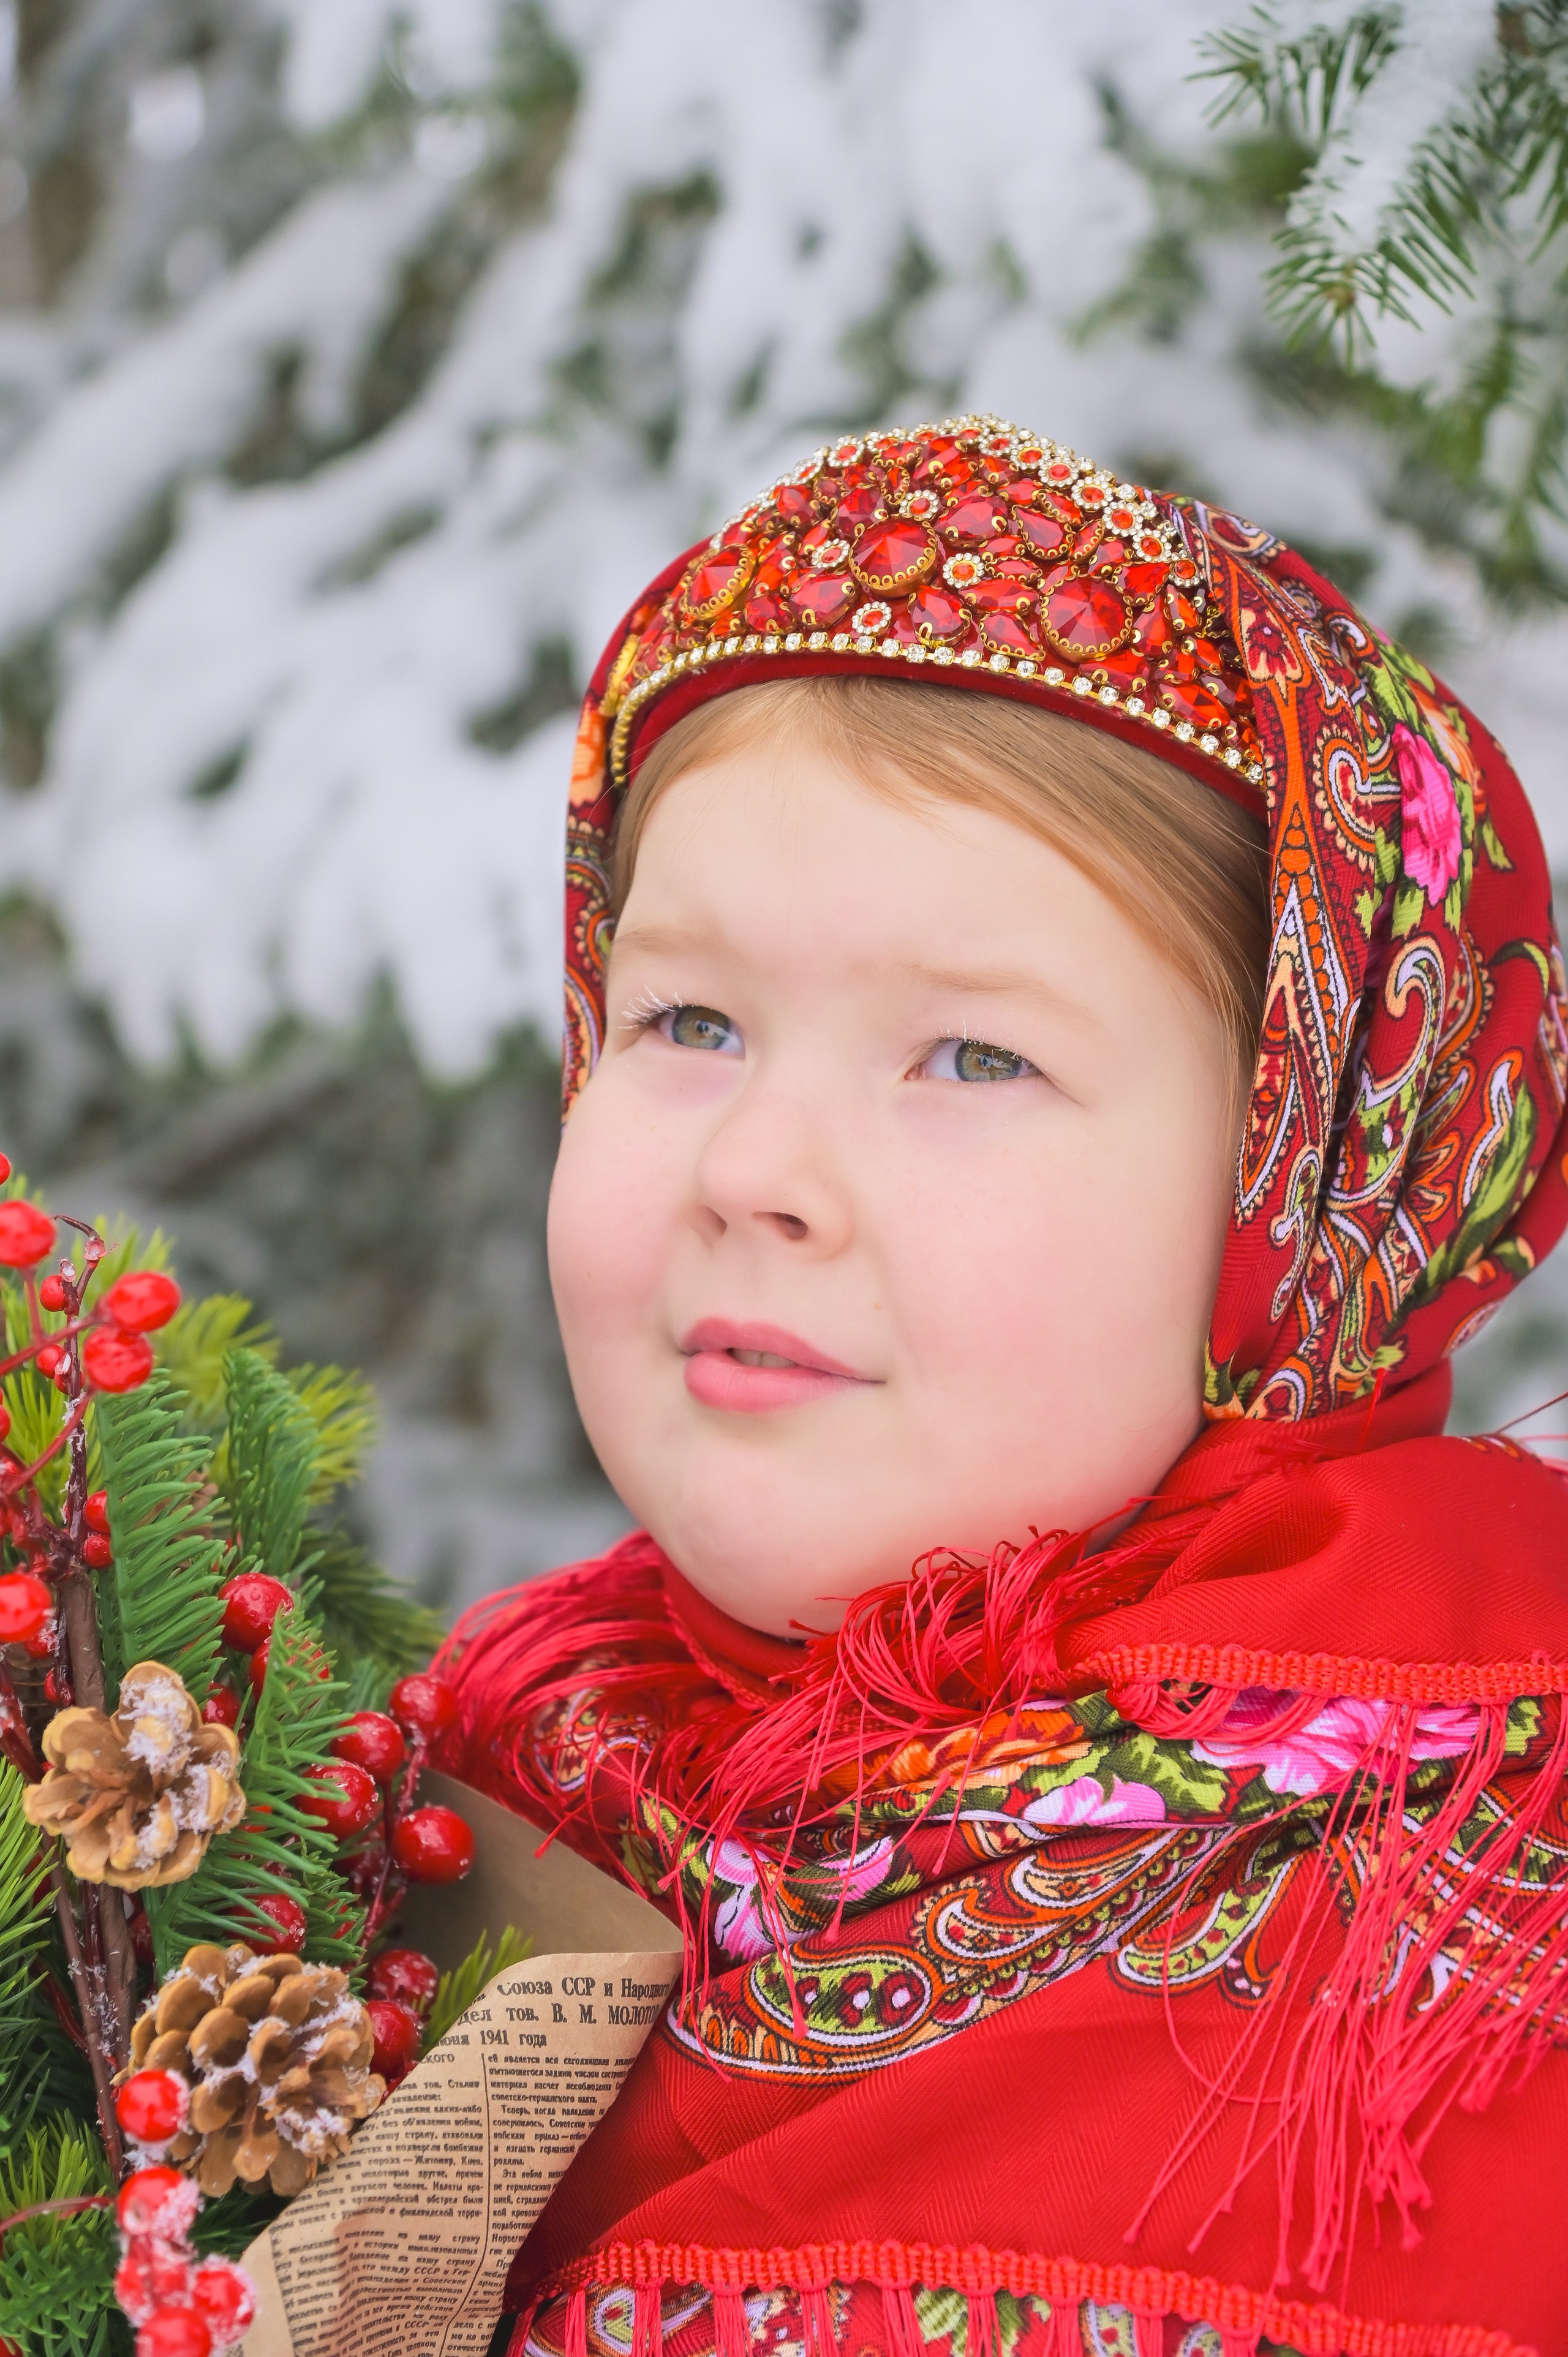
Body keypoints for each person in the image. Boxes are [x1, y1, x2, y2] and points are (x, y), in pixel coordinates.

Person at [436, 417, 1568, 2357]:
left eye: (970, 1060)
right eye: (687, 1020)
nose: (753, 1172)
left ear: (1296, 1186)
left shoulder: (1485, 1950)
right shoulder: (418, 1822)